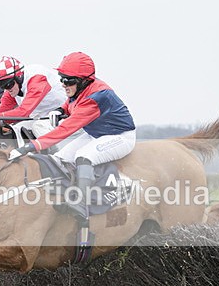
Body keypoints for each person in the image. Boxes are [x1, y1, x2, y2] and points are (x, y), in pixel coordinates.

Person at [8, 51, 136, 222]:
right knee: (58, 159)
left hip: (120, 137)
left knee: (83, 157)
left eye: (68, 80)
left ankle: (81, 204)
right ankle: (67, 194)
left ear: (83, 81)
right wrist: (60, 110)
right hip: (95, 134)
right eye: (61, 78)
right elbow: (70, 103)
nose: (63, 84)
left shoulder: (97, 97)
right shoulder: (81, 88)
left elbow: (65, 129)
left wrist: (29, 147)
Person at [0, 56, 67, 137]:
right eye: (2, 86)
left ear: (19, 77)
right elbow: (0, 112)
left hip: (65, 115)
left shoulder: (37, 79)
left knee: (38, 126)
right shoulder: (13, 87)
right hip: (44, 117)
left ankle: (57, 158)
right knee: (16, 129)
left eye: (8, 85)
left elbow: (23, 112)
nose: (7, 89)